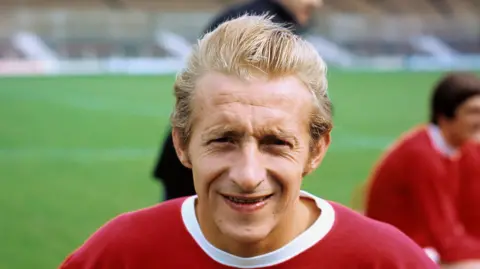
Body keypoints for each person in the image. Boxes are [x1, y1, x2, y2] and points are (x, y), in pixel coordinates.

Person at [59, 15, 438, 269]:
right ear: (182, 144)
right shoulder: (120, 255)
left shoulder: (387, 260)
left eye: (276, 142)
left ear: (316, 149)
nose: (248, 175)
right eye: (223, 139)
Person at [153, 0, 323, 201]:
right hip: (188, 171)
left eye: (277, 142)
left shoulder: (273, 21)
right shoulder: (257, 23)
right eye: (225, 139)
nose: (316, 4)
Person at [363, 73, 480, 267]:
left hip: (423, 249)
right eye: (473, 112)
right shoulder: (422, 157)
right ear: (445, 117)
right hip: (399, 256)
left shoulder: (462, 149)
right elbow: (446, 243)